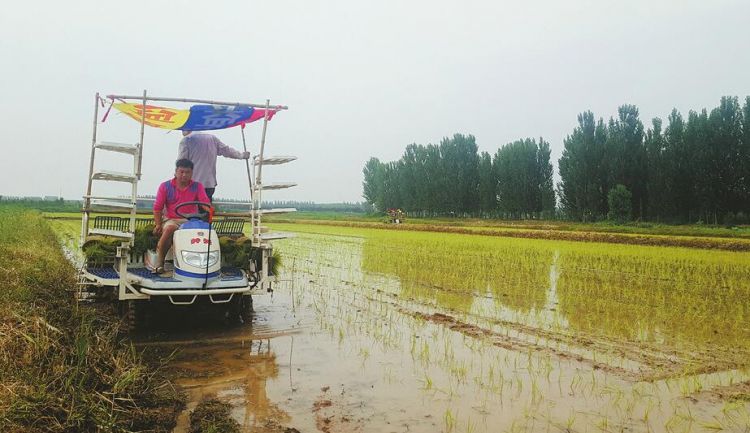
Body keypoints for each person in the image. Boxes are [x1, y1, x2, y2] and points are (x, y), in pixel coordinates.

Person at [151, 159, 211, 273]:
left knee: (204, 232)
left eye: (187, 172)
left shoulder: (197, 186)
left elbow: (204, 202)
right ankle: (159, 262)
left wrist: (209, 209)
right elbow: (157, 207)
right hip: (171, 219)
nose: (184, 175)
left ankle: (202, 265)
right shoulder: (165, 186)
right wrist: (158, 224)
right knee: (170, 228)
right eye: (181, 171)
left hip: (190, 221)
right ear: (176, 171)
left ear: (192, 173)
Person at [177, 130, 250, 201]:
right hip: (209, 183)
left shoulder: (186, 140)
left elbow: (181, 163)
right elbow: (227, 151)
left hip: (191, 184)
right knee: (206, 210)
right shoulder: (212, 138)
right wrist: (241, 155)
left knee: (189, 210)